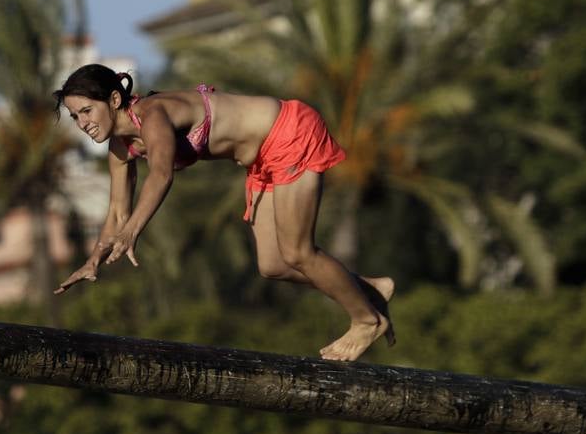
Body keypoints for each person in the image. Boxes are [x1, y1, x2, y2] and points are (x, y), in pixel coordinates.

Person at [52, 63, 394, 362]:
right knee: (273, 265)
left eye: (86, 111)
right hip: (262, 159)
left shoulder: (153, 115)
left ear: (114, 100)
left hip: (289, 132)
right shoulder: (119, 146)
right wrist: (94, 258)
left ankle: (367, 320)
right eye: (75, 116)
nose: (83, 123)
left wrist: (132, 232)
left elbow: (161, 174)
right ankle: (368, 290)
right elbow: (116, 210)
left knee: (297, 252)